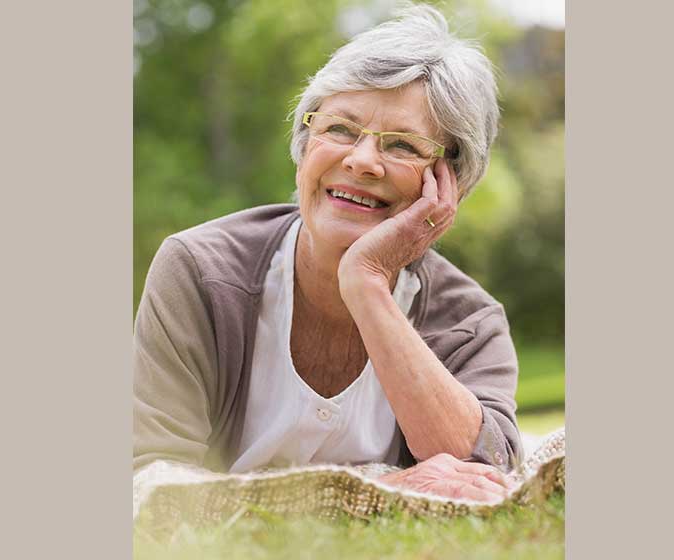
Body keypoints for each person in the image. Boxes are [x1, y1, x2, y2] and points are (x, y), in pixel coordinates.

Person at [133, 4, 522, 504]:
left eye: (402, 145)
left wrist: (366, 281)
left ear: (450, 183)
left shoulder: (471, 322)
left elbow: (480, 478)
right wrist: (363, 492)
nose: (360, 160)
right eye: (338, 129)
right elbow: (150, 481)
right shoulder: (200, 270)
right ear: (305, 142)